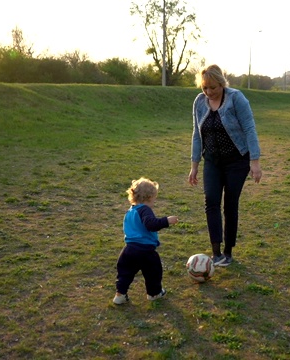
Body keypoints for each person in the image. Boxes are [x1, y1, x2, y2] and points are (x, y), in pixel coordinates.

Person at [188, 64, 262, 267]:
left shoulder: (236, 98)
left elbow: (249, 128)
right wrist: (194, 165)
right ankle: (216, 252)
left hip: (236, 161)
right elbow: (197, 134)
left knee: (230, 204)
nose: (209, 92)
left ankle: (228, 252)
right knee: (211, 201)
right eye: (205, 88)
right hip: (212, 160)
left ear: (222, 83)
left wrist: (254, 162)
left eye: (213, 87)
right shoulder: (199, 102)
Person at [113, 177, 178, 305]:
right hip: (145, 250)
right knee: (153, 272)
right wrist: (166, 221)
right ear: (149, 197)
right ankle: (154, 293)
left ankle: (120, 294)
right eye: (154, 197)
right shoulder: (144, 209)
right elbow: (151, 224)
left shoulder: (130, 211)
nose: (154, 201)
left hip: (129, 249)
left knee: (125, 273)